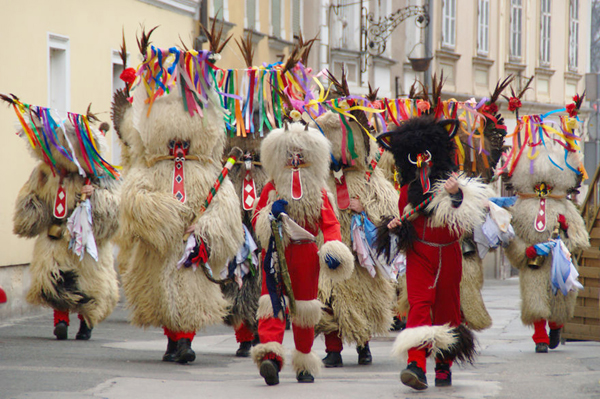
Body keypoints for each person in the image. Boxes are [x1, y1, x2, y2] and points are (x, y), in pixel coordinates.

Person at [117, 45, 244, 364]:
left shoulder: (209, 170)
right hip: (161, 246)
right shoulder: (149, 166)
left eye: (183, 141)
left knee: (188, 292)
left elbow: (226, 208)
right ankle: (172, 340)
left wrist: (204, 228)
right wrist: (160, 214)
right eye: (173, 141)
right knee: (160, 292)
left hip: (192, 246)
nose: (178, 147)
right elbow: (133, 198)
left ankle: (185, 341)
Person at [377, 116, 486, 390]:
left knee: (447, 310)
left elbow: (465, 217)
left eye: (425, 154)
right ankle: (415, 363)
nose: (422, 160)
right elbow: (406, 224)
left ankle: (443, 365)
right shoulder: (404, 191)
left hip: (448, 254)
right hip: (419, 255)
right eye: (415, 155)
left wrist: (456, 195)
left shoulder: (454, 183)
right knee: (419, 305)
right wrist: (395, 226)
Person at [7, 96, 120, 341]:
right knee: (53, 278)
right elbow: (31, 197)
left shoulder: (97, 173)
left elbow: (114, 206)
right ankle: (60, 322)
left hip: (86, 238)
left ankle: (86, 322)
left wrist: (95, 196)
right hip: (54, 235)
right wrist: (32, 208)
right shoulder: (44, 172)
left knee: (88, 282)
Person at [251, 120, 354, 385]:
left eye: (301, 155)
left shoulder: (319, 192)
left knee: (304, 309)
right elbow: (256, 220)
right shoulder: (271, 187)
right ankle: (271, 357)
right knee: (271, 303)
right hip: (276, 253)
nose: (295, 161)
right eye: (290, 155)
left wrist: (332, 247)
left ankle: (304, 362)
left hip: (306, 255)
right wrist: (268, 217)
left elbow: (330, 223)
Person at [312, 109, 398, 368]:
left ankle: (364, 346)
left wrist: (366, 211)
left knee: (363, 300)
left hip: (362, 256)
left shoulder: (371, 178)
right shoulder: (319, 179)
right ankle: (333, 350)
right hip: (329, 250)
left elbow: (390, 213)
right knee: (327, 299)